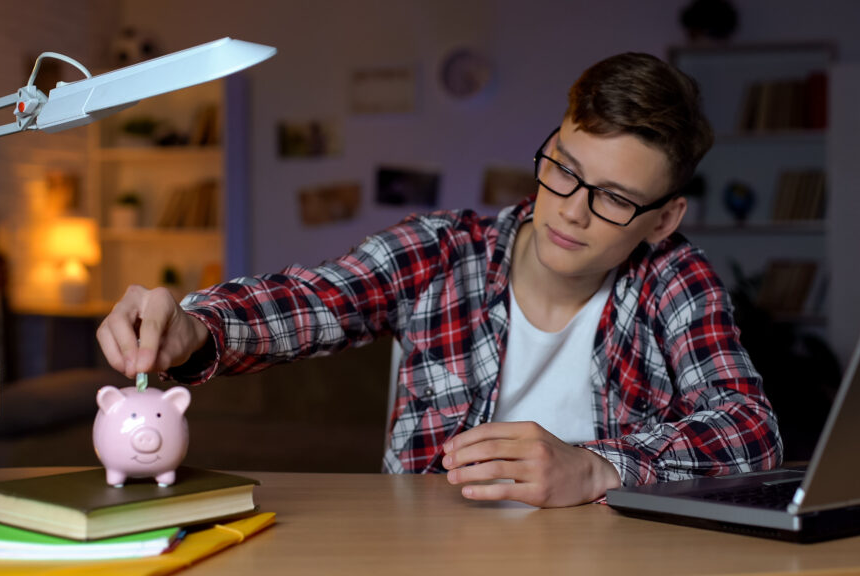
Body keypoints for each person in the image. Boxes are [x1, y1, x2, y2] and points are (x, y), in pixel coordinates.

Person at [96, 52, 782, 508]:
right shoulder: (443, 251)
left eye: (613, 198)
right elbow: (315, 299)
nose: (571, 208)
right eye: (564, 169)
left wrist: (600, 468)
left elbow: (752, 433)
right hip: (430, 551)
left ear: (661, 220)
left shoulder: (674, 277)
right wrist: (197, 325)